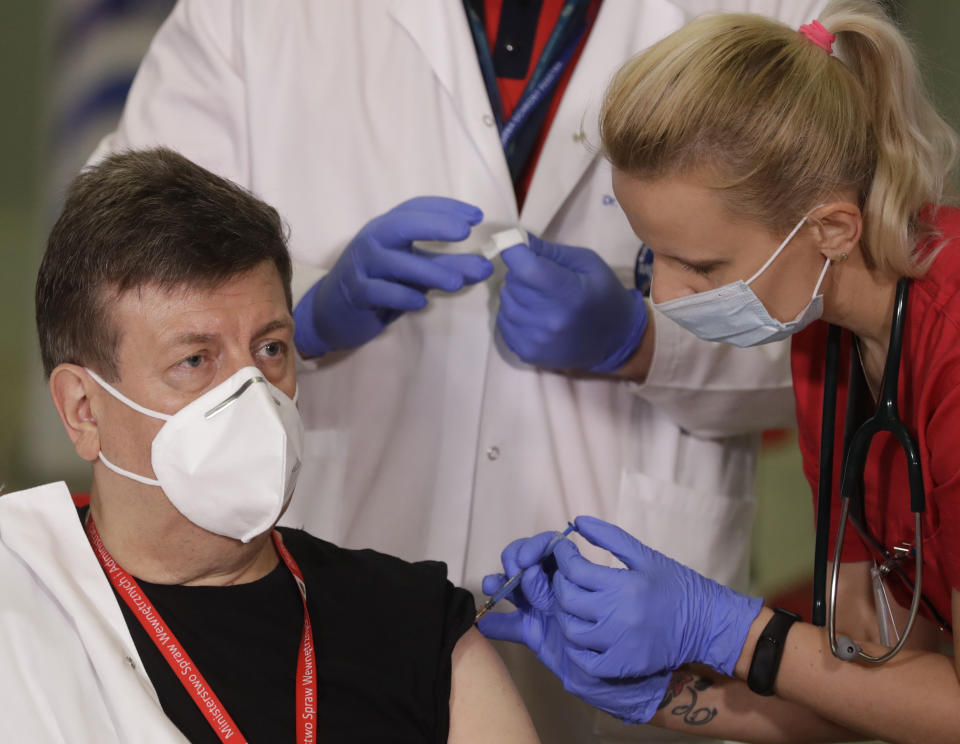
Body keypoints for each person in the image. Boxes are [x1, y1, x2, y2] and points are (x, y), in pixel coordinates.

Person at [89, 3, 824, 741]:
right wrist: (301, 314)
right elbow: (107, 272)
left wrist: (642, 340)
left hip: (626, 603)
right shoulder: (245, 16)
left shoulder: (777, 12)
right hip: (334, 564)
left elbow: (840, 321)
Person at [479, 2, 960, 742]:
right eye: (652, 256)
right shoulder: (827, 341)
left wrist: (730, 629)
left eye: (701, 265)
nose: (663, 298)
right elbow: (876, 687)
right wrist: (656, 694)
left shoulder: (950, 342)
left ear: (833, 227)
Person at [4, 147, 539, 744]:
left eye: (270, 349)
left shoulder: (415, 626)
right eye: (195, 360)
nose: (251, 392)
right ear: (84, 410)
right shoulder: (19, 605)